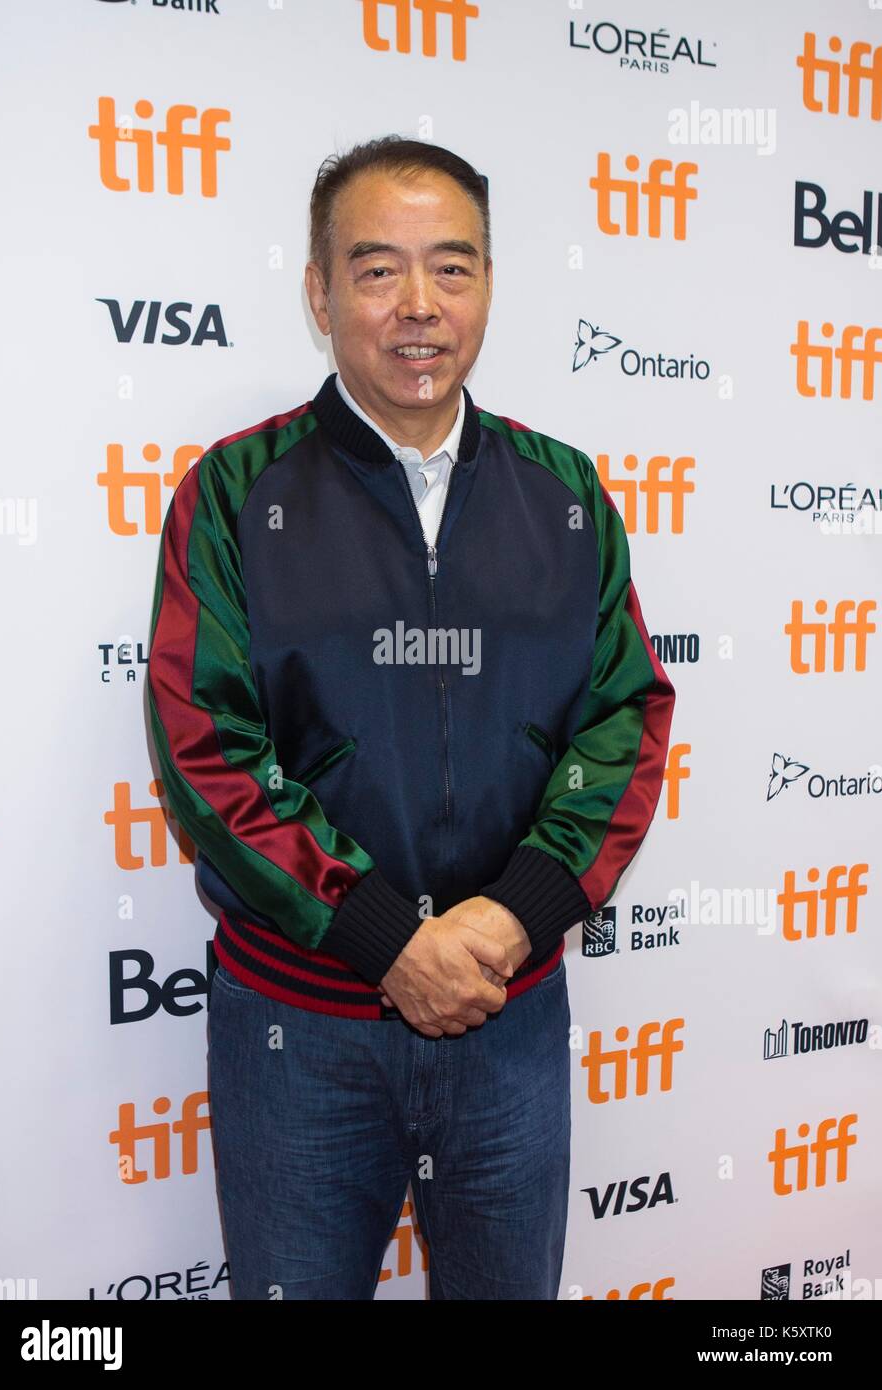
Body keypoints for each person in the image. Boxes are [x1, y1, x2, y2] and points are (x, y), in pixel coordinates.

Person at [146, 134, 676, 1300]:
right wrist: (385, 937)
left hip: (508, 1015)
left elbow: (621, 719)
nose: (418, 306)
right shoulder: (236, 493)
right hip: (300, 1035)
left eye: (453, 266)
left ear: (489, 283)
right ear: (318, 291)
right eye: (377, 269)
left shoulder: (566, 493)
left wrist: (513, 913)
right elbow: (208, 751)